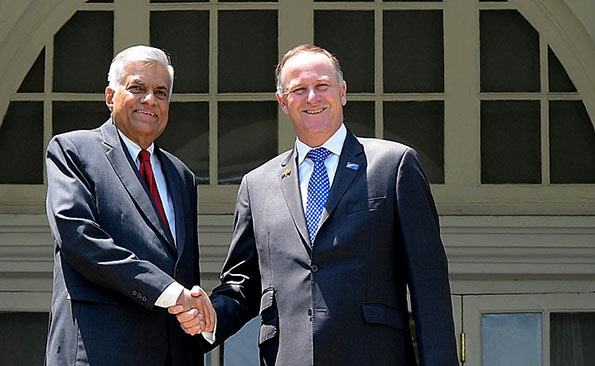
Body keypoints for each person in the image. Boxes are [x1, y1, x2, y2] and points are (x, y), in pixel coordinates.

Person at [174, 44, 458, 365]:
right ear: (282, 102)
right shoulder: (258, 184)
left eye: (322, 86)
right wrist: (207, 319)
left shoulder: (393, 165)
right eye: (298, 90)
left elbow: (429, 285)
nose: (312, 98)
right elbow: (244, 285)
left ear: (343, 92)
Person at [44, 45, 214, 366]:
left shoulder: (181, 176)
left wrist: (193, 312)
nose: (150, 100)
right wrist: (165, 290)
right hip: (99, 352)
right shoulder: (73, 150)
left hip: (174, 354)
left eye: (161, 92)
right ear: (111, 96)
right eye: (137, 88)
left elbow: (183, 270)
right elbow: (78, 238)